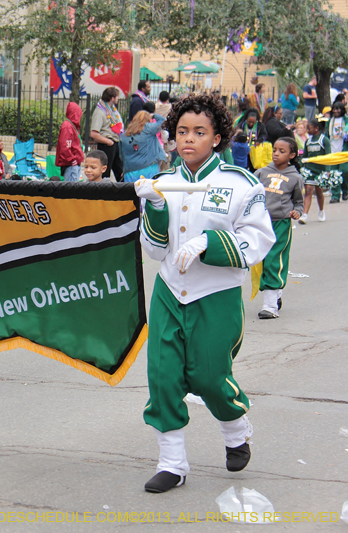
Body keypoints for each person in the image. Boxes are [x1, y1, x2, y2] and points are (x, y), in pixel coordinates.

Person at [134, 93, 275, 493]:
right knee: (162, 376)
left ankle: (235, 428)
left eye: (199, 132)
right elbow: (154, 249)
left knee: (210, 375)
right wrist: (157, 208)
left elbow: (259, 239)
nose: (189, 139)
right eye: (182, 131)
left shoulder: (240, 184)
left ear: (217, 138)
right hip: (169, 291)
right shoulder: (162, 182)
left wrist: (210, 243)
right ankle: (172, 463)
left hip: (216, 292)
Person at [255, 137, 303, 319]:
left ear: (291, 155)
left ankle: (270, 306)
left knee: (275, 259)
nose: (276, 153)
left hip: (281, 223)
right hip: (261, 222)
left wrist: (297, 212)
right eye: (275, 149)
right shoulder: (261, 173)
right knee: (263, 259)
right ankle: (276, 293)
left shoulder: (295, 177)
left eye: (282, 151)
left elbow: (298, 202)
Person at [119, 110, 165, 182]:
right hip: (149, 168)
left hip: (130, 171)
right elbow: (163, 121)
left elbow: (121, 155)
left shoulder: (124, 135)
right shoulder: (148, 128)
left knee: (132, 192)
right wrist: (153, 115)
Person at [90, 87, 124, 181]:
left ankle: (123, 192)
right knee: (105, 171)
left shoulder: (113, 110)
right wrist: (108, 142)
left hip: (115, 143)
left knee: (120, 170)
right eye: (117, 96)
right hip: (107, 144)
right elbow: (93, 133)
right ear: (112, 98)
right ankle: (104, 193)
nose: (118, 99)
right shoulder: (100, 112)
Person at [300, 119, 330, 222]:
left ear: (316, 128)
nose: (307, 130)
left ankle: (321, 210)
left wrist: (327, 170)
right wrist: (301, 167)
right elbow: (304, 156)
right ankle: (305, 215)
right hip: (309, 170)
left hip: (320, 170)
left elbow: (328, 156)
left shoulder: (324, 140)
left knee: (319, 192)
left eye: (309, 128)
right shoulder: (308, 141)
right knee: (308, 190)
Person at [55, 101, 85, 182]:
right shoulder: (68, 126)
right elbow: (64, 146)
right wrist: (72, 159)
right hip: (71, 164)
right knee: (71, 190)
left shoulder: (71, 126)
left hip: (73, 164)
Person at [326, 102, 348, 203]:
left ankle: (346, 191)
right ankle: (335, 195)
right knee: (334, 173)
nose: (336, 111)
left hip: (344, 149)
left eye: (339, 109)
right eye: (334, 109)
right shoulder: (330, 121)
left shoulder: (346, 120)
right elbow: (327, 135)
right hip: (333, 149)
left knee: (344, 171)